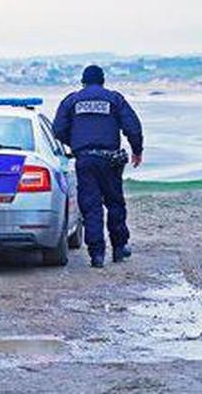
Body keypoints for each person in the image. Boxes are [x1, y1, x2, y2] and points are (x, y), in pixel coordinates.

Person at [53, 65, 144, 268]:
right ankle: (119, 248)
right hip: (110, 159)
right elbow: (132, 126)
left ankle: (97, 255)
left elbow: (58, 129)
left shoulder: (72, 100)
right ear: (102, 81)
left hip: (85, 160)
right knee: (115, 203)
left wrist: (76, 143)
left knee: (91, 206)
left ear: (83, 81)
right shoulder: (114, 99)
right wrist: (137, 150)